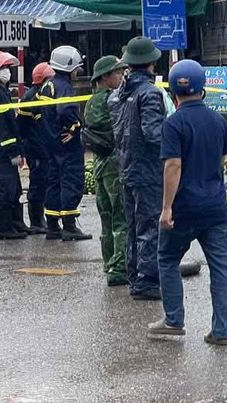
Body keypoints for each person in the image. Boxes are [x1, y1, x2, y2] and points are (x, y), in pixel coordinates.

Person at [148, 59, 227, 346]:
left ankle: (174, 320)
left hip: (184, 208)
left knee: (168, 258)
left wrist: (166, 207)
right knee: (220, 267)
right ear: (203, 89)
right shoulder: (219, 121)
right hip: (215, 207)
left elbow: (173, 165)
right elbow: (221, 162)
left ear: (173, 90)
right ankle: (221, 331)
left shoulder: (173, 124)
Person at [111, 36, 167, 300]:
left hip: (126, 168)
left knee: (133, 226)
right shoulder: (149, 93)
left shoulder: (118, 95)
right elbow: (154, 134)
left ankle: (135, 275)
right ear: (151, 63)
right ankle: (148, 280)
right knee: (149, 226)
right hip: (148, 170)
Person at [82, 56, 130, 287]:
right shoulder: (112, 100)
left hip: (100, 164)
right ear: (105, 77)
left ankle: (109, 261)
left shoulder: (91, 102)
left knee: (106, 218)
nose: (121, 77)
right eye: (117, 73)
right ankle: (119, 267)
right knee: (120, 217)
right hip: (113, 164)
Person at [41, 45, 92, 241]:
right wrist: (74, 127)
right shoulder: (64, 87)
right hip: (66, 145)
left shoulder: (48, 85)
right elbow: (65, 111)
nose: (79, 70)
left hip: (51, 142)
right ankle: (70, 225)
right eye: (77, 67)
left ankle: (52, 225)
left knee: (54, 182)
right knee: (71, 181)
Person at [0, 50, 32, 240]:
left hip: (6, 152)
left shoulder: (1, 90)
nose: (7, 71)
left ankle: (16, 224)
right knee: (5, 191)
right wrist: (13, 151)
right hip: (2, 154)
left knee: (15, 191)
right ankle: (4, 228)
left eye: (7, 68)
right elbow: (1, 127)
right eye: (3, 68)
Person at [17, 62, 55, 233]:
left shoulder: (43, 95)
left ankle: (41, 219)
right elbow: (22, 127)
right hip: (36, 149)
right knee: (37, 184)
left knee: (45, 183)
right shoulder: (30, 98)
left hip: (44, 148)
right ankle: (36, 221)